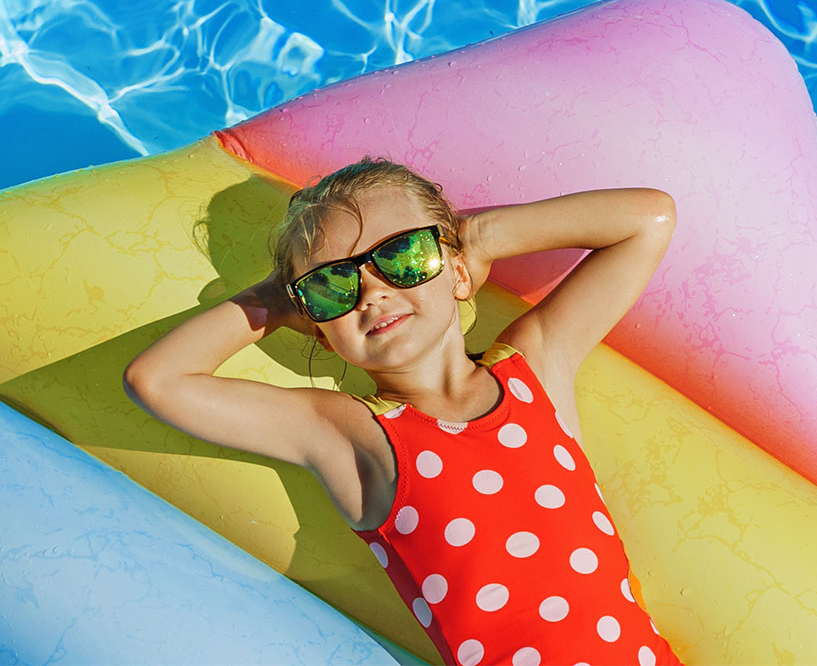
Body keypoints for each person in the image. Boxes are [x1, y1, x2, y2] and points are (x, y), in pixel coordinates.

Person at [123, 157, 682, 666]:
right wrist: (274, 296)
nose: (371, 291)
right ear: (316, 327)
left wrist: (478, 238)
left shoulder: (536, 365)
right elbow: (157, 380)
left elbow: (648, 218)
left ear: (457, 273)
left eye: (402, 255)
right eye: (331, 284)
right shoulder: (350, 432)